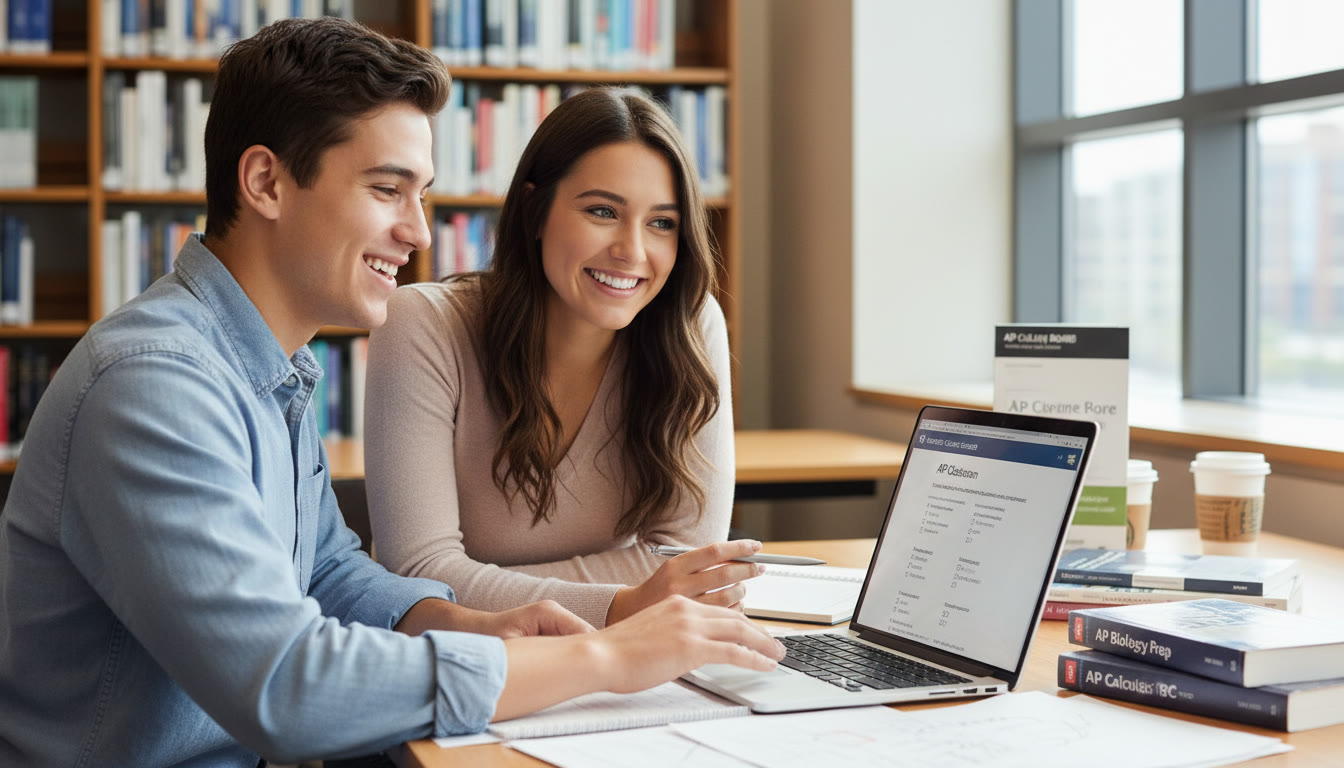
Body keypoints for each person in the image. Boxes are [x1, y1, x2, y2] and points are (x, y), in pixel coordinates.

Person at [0, 19, 782, 767]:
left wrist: (468, 623)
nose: (420, 234)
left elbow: (330, 573)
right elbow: (284, 689)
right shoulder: (154, 386)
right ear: (266, 180)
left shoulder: (267, 366)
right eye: (387, 189)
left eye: (423, 194)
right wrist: (602, 654)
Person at [365, 87, 752, 630]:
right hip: (475, 663)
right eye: (602, 211)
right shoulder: (424, 325)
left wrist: (483, 579)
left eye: (661, 222)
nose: (633, 251)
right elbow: (419, 574)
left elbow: (688, 561)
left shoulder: (691, 321)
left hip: (626, 660)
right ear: (535, 208)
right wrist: (626, 601)